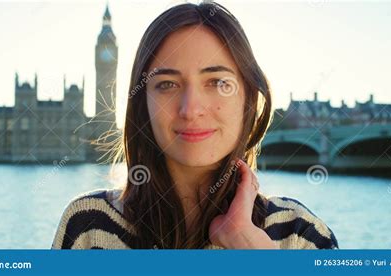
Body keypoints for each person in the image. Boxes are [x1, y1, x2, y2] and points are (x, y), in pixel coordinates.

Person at [52, 1, 338, 249]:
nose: (190, 109)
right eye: (167, 84)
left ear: (248, 99)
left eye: (217, 83)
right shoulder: (87, 226)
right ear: (142, 104)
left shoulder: (302, 236)